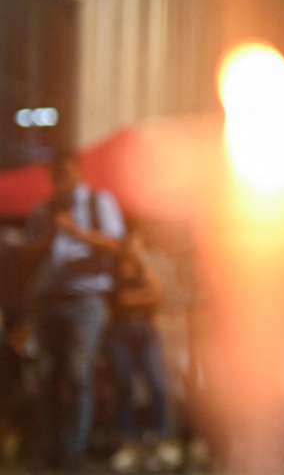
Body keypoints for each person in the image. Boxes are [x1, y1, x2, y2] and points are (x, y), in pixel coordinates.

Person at [25, 152, 125, 470]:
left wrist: (77, 234)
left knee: (78, 374)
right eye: (55, 176)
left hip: (86, 301)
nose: (60, 182)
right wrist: (48, 238)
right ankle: (48, 451)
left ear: (77, 173)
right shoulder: (44, 211)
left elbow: (116, 245)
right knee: (46, 376)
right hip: (48, 300)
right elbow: (27, 254)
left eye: (65, 174)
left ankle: (73, 452)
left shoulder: (99, 204)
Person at [106, 232, 178, 473]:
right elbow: (121, 301)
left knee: (158, 385)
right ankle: (127, 442)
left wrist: (142, 288)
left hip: (147, 332)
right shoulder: (112, 271)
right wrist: (142, 298)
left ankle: (160, 440)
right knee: (125, 385)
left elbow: (157, 295)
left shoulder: (144, 270)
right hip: (121, 333)